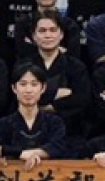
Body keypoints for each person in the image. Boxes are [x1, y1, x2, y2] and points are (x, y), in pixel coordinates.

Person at [28, 10, 91, 145]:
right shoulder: (24, 66)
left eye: (53, 30)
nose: (48, 35)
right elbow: (21, 98)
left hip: (69, 133)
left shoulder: (76, 66)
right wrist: (56, 93)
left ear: (61, 34)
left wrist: (41, 102)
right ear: (34, 36)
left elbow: (81, 100)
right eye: (42, 31)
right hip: (30, 133)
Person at [13, 0, 82, 61]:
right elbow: (23, 53)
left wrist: (35, 47)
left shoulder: (70, 25)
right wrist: (57, 50)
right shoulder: (23, 23)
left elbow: (73, 57)